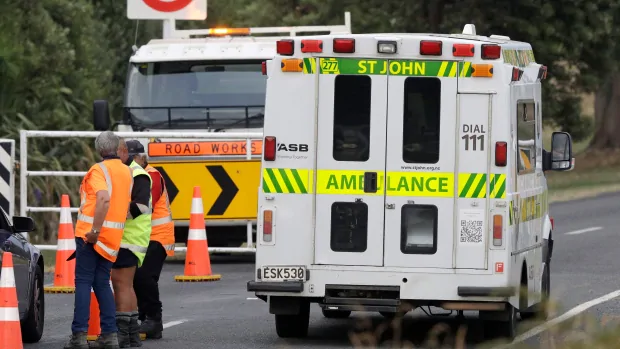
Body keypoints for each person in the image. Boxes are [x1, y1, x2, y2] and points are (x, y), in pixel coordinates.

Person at [65, 131, 133, 349]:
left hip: (91, 236)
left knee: (83, 282)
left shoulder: (98, 170)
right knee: (103, 283)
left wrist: (94, 230)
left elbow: (103, 199)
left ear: (99, 149)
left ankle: (79, 337)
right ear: (116, 148)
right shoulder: (126, 171)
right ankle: (110, 335)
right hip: (112, 237)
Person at [110, 140, 152, 348]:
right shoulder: (129, 172)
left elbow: (141, 206)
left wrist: (114, 214)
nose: (117, 154)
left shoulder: (137, 174)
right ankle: (131, 336)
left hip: (129, 239)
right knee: (125, 285)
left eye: (119, 151)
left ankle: (123, 335)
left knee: (121, 284)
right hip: (128, 238)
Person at [132, 152, 175, 339]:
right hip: (142, 236)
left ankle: (154, 319)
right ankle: (143, 318)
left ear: (142, 158)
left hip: (158, 236)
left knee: (144, 275)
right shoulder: (133, 175)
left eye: (134, 158)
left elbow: (147, 204)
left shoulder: (152, 176)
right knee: (135, 276)